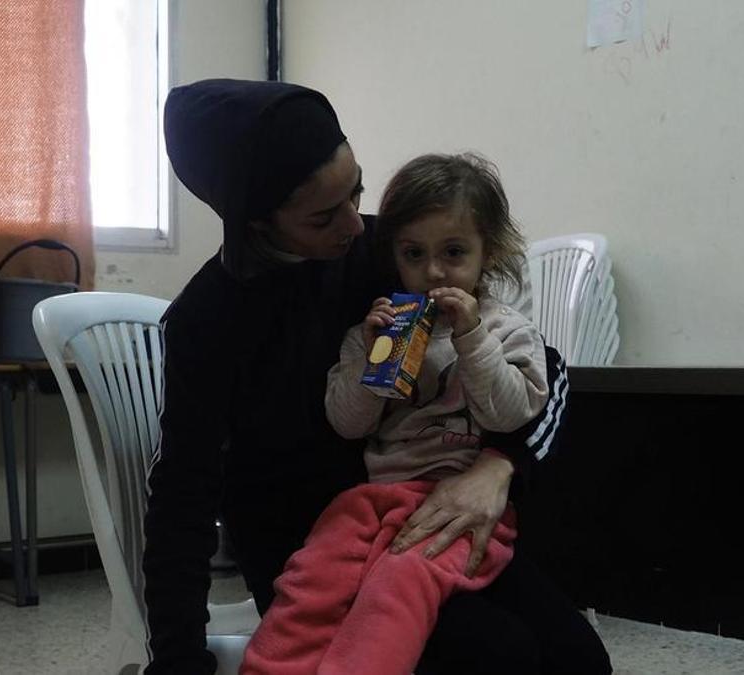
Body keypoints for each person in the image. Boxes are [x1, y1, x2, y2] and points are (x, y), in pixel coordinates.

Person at [144, 78, 611, 675]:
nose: (356, 225)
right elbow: (181, 495)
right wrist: (179, 659)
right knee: (497, 654)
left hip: (432, 507)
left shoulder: (391, 251)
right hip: (311, 549)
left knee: (577, 660)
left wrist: (499, 468)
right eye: (322, 216)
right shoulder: (206, 321)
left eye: (355, 192)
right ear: (258, 223)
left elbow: (544, 369)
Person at [240, 152, 550, 675]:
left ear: (486, 252)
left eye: (454, 252)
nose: (432, 271)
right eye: (414, 254)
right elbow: (348, 424)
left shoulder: (508, 331)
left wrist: (472, 338)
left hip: (457, 503)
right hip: (371, 496)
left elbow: (509, 415)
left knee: (399, 585)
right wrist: (369, 356)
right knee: (310, 579)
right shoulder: (379, 329)